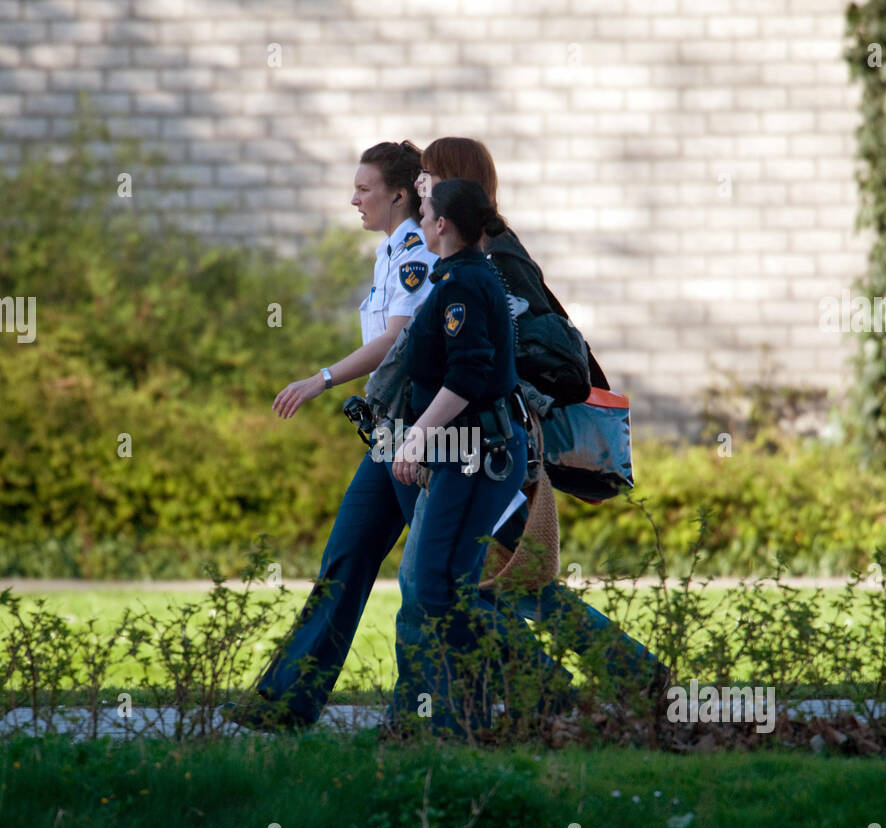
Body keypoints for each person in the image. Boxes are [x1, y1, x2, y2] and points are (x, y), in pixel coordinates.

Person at [399, 138, 667, 720]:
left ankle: (540, 700)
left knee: (442, 585)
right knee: (509, 584)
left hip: (492, 446)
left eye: (427, 176)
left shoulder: (495, 261)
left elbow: (512, 358)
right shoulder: (480, 251)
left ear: (453, 184)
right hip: (484, 442)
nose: (419, 186)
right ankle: (631, 681)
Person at [223, 141, 437, 731]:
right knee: (345, 558)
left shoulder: (414, 251)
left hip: (415, 431)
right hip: (388, 434)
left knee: (445, 573)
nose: (354, 198)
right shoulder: (389, 253)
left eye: (365, 188)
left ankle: (538, 689)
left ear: (398, 194)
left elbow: (396, 339)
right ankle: (285, 703)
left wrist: (322, 379)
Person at [384, 178, 530, 738]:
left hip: (476, 456)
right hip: (462, 454)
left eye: (424, 209)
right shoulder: (458, 277)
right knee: (443, 585)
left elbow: (469, 375)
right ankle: (466, 718)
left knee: (438, 584)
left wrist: (417, 437)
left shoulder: (464, 284)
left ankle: (509, 701)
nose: (419, 215)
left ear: (442, 224)